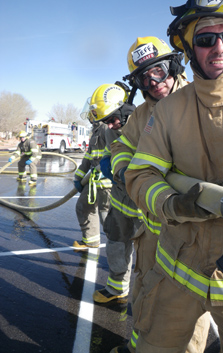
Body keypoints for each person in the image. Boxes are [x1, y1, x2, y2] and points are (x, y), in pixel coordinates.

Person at [124, 1, 223, 352]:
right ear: (188, 47)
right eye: (205, 38)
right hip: (174, 273)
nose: (219, 47)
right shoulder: (167, 111)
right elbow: (141, 174)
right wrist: (172, 203)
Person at [110, 36, 210, 353]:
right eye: (144, 78)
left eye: (159, 71)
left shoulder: (202, 99)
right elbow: (121, 145)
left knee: (187, 308)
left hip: (195, 231)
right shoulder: (141, 115)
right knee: (144, 291)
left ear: (174, 65)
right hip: (153, 230)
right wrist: (123, 168)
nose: (154, 83)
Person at [91, 82, 139, 304]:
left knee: (150, 257)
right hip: (121, 200)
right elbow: (111, 152)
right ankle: (117, 288)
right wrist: (108, 165)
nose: (109, 127)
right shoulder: (113, 128)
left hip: (145, 205)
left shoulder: (149, 124)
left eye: (111, 120)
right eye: (105, 122)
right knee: (116, 243)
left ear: (126, 111)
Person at [73, 97, 112, 249]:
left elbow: (117, 153)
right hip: (94, 181)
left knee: (108, 219)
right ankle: (91, 240)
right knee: (83, 207)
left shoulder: (106, 128)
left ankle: (118, 250)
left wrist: (105, 170)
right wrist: (79, 177)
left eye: (91, 113)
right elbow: (89, 157)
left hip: (107, 182)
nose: (89, 116)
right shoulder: (96, 130)